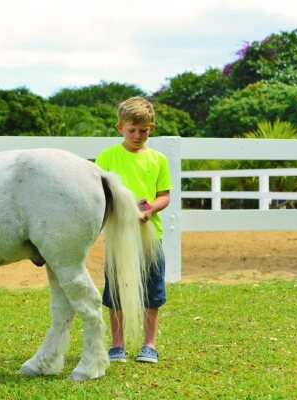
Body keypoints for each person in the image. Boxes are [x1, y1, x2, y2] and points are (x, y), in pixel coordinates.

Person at [95, 96, 172, 364]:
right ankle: (118, 345)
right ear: (120, 128)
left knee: (152, 292)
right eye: (132, 130)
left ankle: (149, 344)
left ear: (152, 128)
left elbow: (164, 195)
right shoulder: (107, 157)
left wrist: (150, 209)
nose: (138, 135)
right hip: (118, 236)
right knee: (116, 291)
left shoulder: (158, 159)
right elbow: (99, 194)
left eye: (144, 130)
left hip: (150, 237)